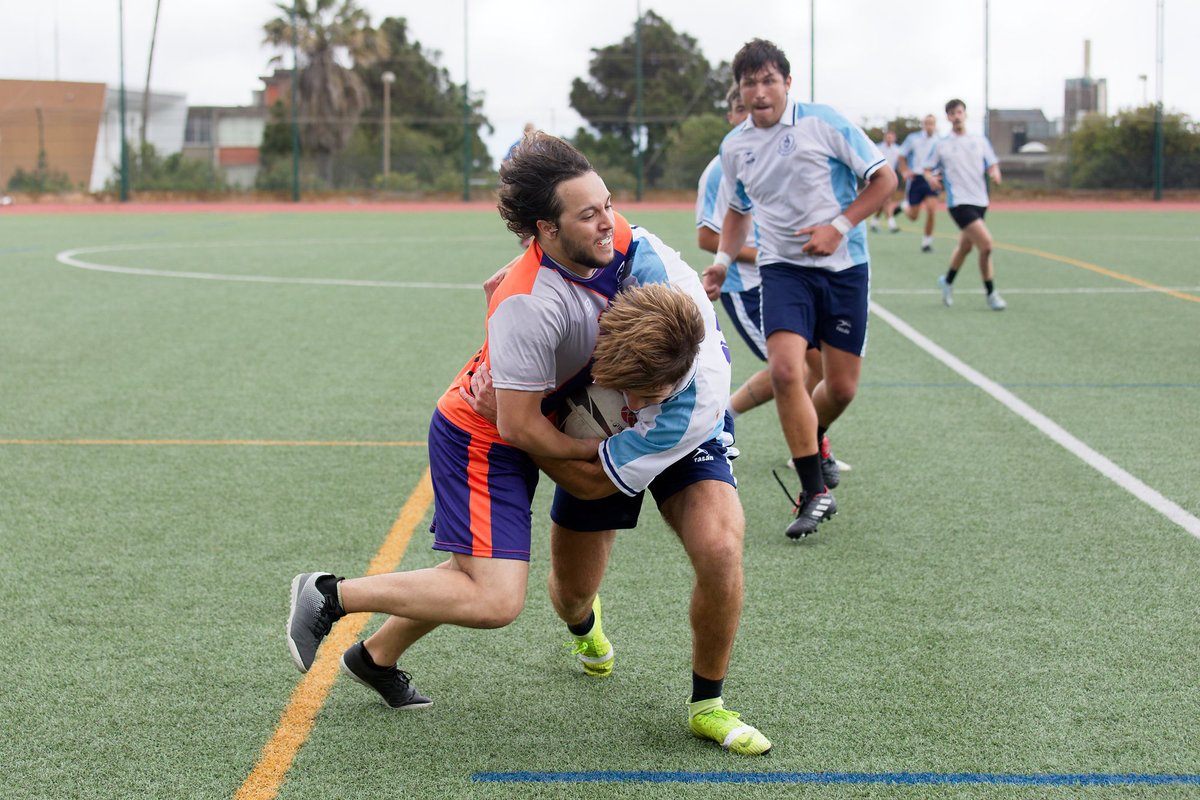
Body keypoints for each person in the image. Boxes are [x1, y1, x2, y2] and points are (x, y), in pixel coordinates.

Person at [288, 133, 771, 756]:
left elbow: (612, 444)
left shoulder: (681, 384)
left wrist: (612, 425)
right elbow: (516, 428)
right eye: (589, 211)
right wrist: (590, 428)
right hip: (512, 427)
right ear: (544, 228)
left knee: (719, 546)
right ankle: (352, 616)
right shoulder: (528, 303)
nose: (609, 224)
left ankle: (708, 702)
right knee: (519, 592)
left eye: (607, 206)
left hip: (638, 430)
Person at [703, 38, 897, 539]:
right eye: (750, 83)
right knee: (787, 371)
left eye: (769, 80)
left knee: (841, 388)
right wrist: (723, 262)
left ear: (788, 83)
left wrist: (838, 224)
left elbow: (884, 180)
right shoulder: (735, 147)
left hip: (844, 267)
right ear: (740, 92)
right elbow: (737, 211)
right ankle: (814, 492)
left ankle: (816, 435)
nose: (760, 91)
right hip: (783, 270)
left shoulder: (823, 122)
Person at [695, 83, 843, 490]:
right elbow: (708, 238)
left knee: (811, 366)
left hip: (787, 280)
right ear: (732, 117)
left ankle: (789, 436)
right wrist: (764, 253)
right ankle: (808, 447)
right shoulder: (721, 168)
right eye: (740, 109)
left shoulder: (780, 153)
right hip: (748, 285)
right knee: (798, 367)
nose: (751, 115)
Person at [927, 99, 1006, 311]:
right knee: (986, 245)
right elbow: (927, 168)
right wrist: (931, 179)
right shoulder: (942, 144)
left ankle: (948, 281)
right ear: (948, 117)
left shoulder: (979, 141)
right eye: (952, 113)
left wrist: (995, 172)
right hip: (959, 203)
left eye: (959, 112)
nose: (956, 116)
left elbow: (992, 163)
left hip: (980, 201)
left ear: (965, 114)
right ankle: (991, 293)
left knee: (966, 246)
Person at [895, 114, 943, 252]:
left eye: (932, 123)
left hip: (931, 179)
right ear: (923, 124)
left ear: (935, 125)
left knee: (932, 210)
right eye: (927, 123)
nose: (929, 126)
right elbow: (901, 155)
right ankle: (905, 206)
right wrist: (904, 171)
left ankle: (926, 243)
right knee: (913, 217)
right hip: (916, 179)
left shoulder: (940, 140)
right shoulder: (913, 139)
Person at [871, 129, 901, 233]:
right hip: (878, 177)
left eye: (891, 137)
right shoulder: (877, 148)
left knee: (883, 201)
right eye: (887, 137)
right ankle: (892, 225)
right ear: (885, 138)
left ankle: (874, 222)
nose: (889, 139)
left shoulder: (898, 150)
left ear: (894, 139)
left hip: (891, 178)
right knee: (887, 200)